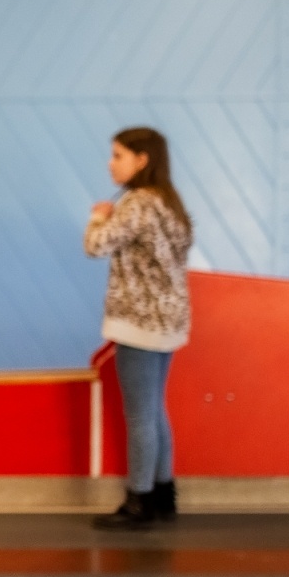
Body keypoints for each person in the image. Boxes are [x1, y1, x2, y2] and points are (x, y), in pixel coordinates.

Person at [84, 126, 192, 530]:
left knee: (140, 417)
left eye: (118, 155)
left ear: (141, 159)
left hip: (138, 325)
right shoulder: (168, 202)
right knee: (155, 410)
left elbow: (96, 245)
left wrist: (97, 217)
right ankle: (163, 494)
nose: (111, 163)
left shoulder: (137, 203)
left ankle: (139, 501)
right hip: (168, 323)